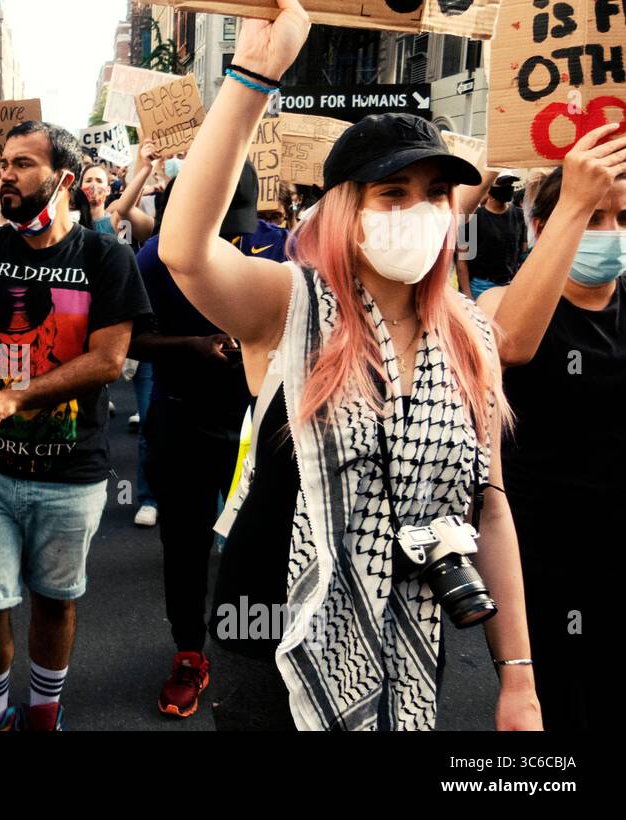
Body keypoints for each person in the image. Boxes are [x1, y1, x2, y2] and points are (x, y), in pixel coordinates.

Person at [158, 0, 540, 731]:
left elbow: (489, 507)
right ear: (343, 211)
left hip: (403, 634)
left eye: (434, 194)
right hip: (266, 628)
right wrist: (253, 74)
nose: (418, 211)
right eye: (392, 193)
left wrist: (516, 677)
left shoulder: (472, 337)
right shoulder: (290, 307)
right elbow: (185, 251)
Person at [0, 120, 152, 731]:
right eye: (3, 163)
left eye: (23, 163)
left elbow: (106, 361)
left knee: (56, 599)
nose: (5, 175)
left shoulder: (108, 257)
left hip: (70, 470)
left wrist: (13, 398)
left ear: (65, 180)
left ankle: (45, 711)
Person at [475, 126, 626, 731]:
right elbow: (507, 344)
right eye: (592, 218)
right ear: (544, 226)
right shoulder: (499, 307)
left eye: (620, 217)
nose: (609, 236)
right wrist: (574, 202)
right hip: (539, 560)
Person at [131, 161, 258, 718]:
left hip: (260, 426)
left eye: (238, 225)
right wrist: (194, 347)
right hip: (180, 418)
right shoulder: (153, 257)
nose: (232, 236)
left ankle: (261, 647)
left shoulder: (277, 248)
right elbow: (127, 342)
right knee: (184, 544)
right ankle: (189, 652)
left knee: (261, 543)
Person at [461, 171, 526, 300]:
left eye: (510, 184)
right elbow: (462, 259)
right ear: (489, 187)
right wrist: (467, 294)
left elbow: (522, 252)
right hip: (481, 285)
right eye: (503, 184)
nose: (508, 187)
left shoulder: (519, 215)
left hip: (509, 284)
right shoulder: (473, 218)